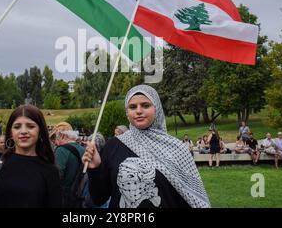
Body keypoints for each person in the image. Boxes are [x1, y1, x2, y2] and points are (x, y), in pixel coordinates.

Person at [82, 85, 210, 208]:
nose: (138, 111)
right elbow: (99, 198)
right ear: (127, 112)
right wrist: (95, 168)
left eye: (145, 105)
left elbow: (190, 199)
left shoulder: (176, 148)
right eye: (132, 107)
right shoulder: (113, 146)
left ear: (157, 109)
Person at [49, 122, 85, 207]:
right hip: (79, 196)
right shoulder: (83, 149)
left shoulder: (61, 150)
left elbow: (56, 176)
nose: (54, 142)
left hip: (64, 198)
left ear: (62, 136)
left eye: (55, 137)